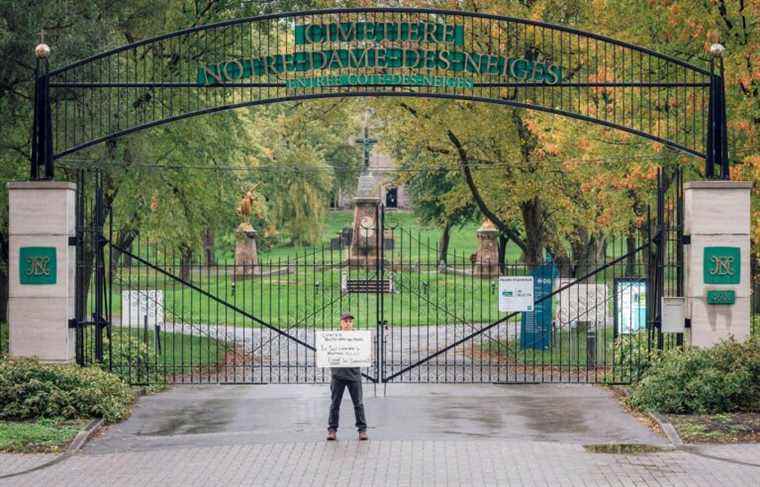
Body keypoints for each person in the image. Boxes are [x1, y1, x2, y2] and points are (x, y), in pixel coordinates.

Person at [327, 312, 368, 441]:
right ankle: (332, 430)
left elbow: (365, 353)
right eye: (345, 321)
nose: (348, 323)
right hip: (337, 375)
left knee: (358, 404)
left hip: (354, 375)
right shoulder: (333, 337)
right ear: (341, 323)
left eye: (350, 321)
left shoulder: (359, 338)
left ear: (352, 323)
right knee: (335, 404)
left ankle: (362, 430)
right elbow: (326, 353)